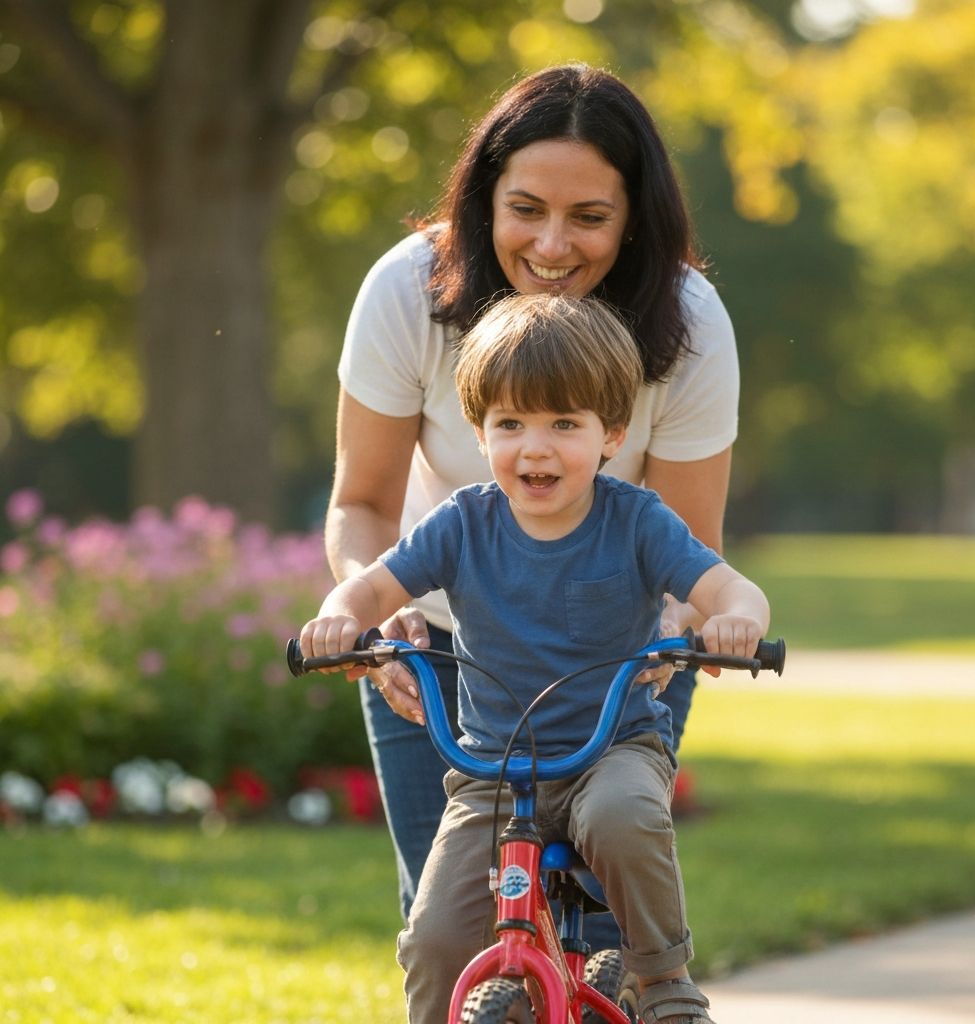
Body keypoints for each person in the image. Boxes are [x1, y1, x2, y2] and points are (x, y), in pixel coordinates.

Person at [325, 63, 740, 947]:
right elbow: (361, 501)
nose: (552, 247)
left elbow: (693, 541)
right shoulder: (409, 291)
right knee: (450, 928)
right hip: (445, 654)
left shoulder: (690, 322)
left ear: (634, 222)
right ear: (485, 200)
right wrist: (370, 614)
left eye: (590, 217)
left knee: (597, 938)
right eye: (527, 209)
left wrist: (681, 635)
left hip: (613, 663)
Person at [303, 294, 769, 1024]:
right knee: (433, 940)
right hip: (493, 772)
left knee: (623, 818)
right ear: (480, 430)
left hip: (609, 753)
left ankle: (663, 981)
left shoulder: (637, 520)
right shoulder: (463, 523)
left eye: (564, 424)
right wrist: (339, 621)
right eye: (510, 423)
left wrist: (736, 621)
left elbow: (728, 587)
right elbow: (371, 586)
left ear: (612, 433)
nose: (535, 447)